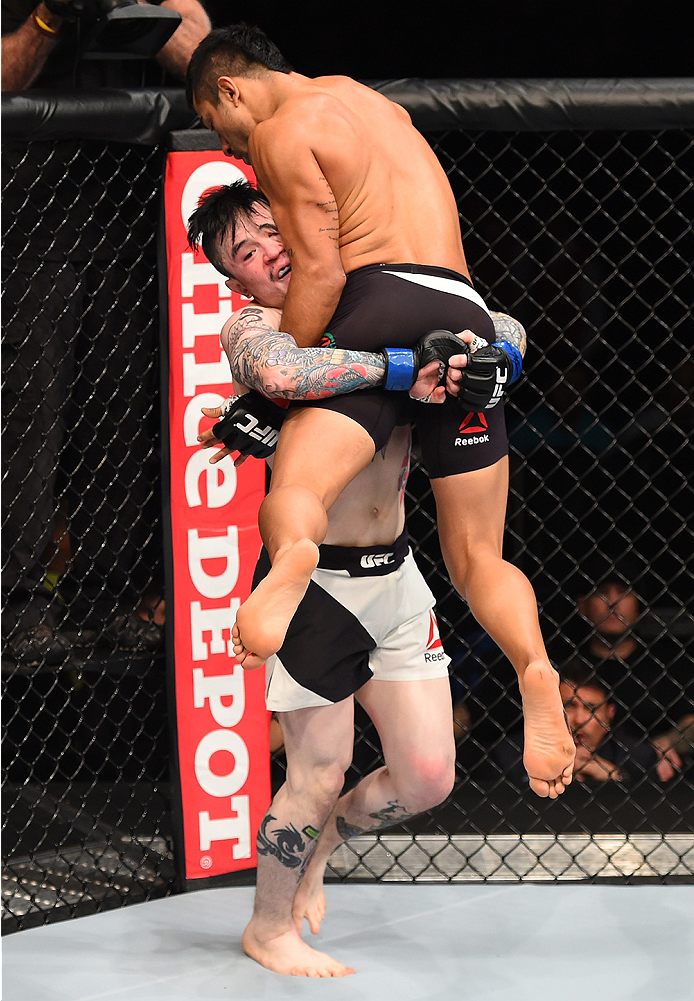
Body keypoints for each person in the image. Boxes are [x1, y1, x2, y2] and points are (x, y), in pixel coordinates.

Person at [187, 24, 574, 799]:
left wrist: (274, 394)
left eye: (214, 122)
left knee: (297, 490)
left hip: (377, 297)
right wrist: (483, 352)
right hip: (466, 311)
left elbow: (324, 270)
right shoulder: (374, 105)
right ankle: (535, 662)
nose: (227, 141)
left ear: (230, 88)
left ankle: (293, 554)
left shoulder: (278, 130)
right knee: (478, 558)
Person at [188, 183, 464, 978]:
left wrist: (474, 358)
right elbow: (282, 370)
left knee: (427, 777)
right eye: (247, 253)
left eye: (271, 232)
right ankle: (268, 926)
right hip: (313, 578)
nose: (270, 252)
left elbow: (499, 328)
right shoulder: (253, 325)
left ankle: (328, 839)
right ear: (239, 282)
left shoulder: (373, 290)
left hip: (397, 569)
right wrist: (405, 364)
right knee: (315, 770)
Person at [1, 0, 211, 662]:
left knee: (123, 417)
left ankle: (109, 597)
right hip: (25, 219)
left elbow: (210, 64)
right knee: (28, 423)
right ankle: (18, 612)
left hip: (130, 210)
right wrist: (49, 18)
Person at [577, 571, 693, 782]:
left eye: (623, 592)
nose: (613, 602)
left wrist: (669, 741)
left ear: (639, 604)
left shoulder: (669, 663)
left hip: (653, 774)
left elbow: (690, 719)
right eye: (602, 593)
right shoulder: (567, 665)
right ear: (581, 605)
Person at [495, 661, 664, 787]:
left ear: (609, 715)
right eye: (568, 706)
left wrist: (617, 779)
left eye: (591, 709)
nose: (579, 719)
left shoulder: (639, 757)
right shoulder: (509, 755)